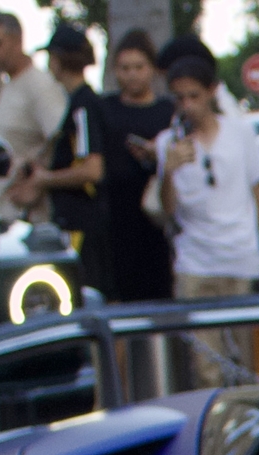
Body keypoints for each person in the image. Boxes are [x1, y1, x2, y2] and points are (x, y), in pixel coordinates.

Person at [158, 57, 259, 385]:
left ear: (211, 92)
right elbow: (167, 209)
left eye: (194, 96)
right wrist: (168, 172)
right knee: (205, 368)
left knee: (247, 363)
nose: (188, 106)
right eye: (179, 99)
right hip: (195, 262)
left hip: (239, 257)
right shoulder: (168, 142)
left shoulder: (240, 132)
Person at [11, 29, 109, 296]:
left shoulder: (83, 107)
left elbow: (92, 169)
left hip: (82, 225)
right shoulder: (76, 103)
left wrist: (46, 180)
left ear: (57, 60)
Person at [98, 30, 175, 305]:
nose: (132, 75)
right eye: (124, 68)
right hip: (116, 220)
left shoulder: (168, 111)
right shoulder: (104, 108)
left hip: (156, 218)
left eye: (139, 67)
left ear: (152, 70)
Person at [0, 12, 64, 223]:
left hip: (25, 215)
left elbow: (62, 139)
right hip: (1, 210)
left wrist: (37, 183)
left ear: (17, 41)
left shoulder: (39, 86)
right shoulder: (8, 84)